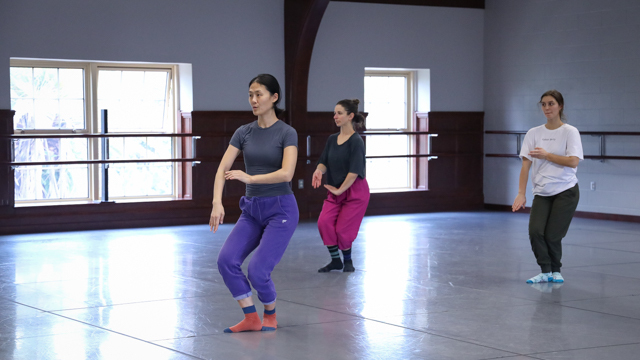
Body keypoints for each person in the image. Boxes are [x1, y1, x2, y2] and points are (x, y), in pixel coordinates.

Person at [210, 74, 298, 333]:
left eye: (259, 94)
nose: (253, 100)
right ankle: (250, 316)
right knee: (226, 260)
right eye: (250, 94)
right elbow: (222, 168)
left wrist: (250, 178)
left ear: (274, 97)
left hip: (280, 209)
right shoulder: (243, 132)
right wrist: (217, 202)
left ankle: (269, 313)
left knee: (258, 270)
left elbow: (287, 173)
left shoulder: (287, 132)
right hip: (251, 209)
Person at [512, 90, 583, 284]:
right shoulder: (533, 133)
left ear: (560, 106)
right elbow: (525, 165)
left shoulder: (570, 132)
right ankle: (545, 271)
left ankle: (555, 270)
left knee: (553, 235)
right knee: (535, 231)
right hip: (542, 192)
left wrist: (547, 155)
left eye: (551, 104)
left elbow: (573, 161)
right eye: (543, 104)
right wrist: (521, 193)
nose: (546, 108)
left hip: (566, 191)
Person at [312, 99, 370, 273]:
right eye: (335, 113)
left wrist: (340, 190)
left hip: (355, 192)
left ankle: (348, 261)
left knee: (343, 230)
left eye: (339, 113)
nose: (335, 116)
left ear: (350, 116)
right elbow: (324, 161)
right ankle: (335, 261)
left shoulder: (356, 142)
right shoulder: (332, 139)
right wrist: (318, 171)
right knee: (324, 223)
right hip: (336, 190)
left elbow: (353, 173)